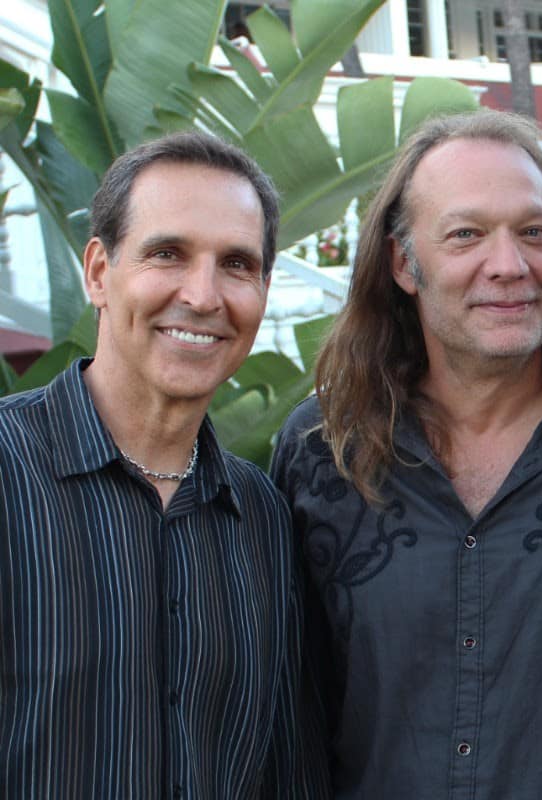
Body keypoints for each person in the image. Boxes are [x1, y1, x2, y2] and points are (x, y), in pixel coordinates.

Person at [271, 109, 542, 799]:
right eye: (466, 234)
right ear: (404, 264)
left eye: (534, 232)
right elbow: (292, 713)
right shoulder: (323, 449)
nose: (510, 265)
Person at [0, 131, 329, 798]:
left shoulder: (262, 515)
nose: (203, 296)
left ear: (264, 291)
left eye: (236, 264)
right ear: (99, 272)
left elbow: (285, 769)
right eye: (167, 253)